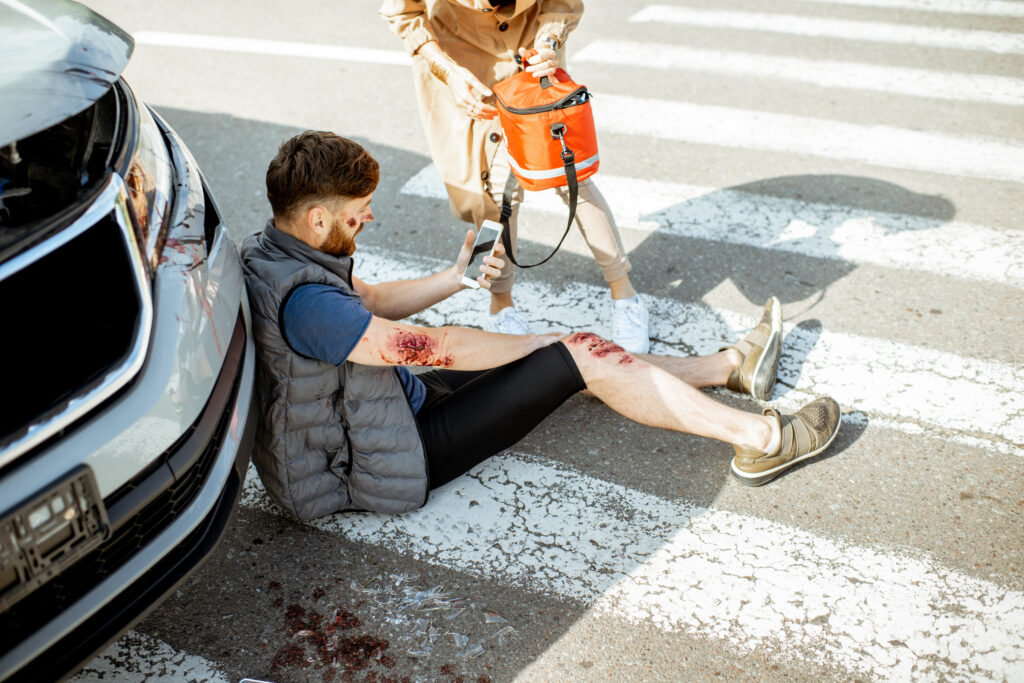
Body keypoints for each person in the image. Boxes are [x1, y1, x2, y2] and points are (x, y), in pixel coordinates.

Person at [241, 131, 842, 521]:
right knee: (573, 351)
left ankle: (725, 369)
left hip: (387, 409)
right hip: (383, 462)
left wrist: (455, 278)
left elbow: (366, 297)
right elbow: (432, 346)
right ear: (319, 219)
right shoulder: (308, 303)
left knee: (577, 354)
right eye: (357, 211)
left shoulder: (280, 251)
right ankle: (762, 442)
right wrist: (541, 344)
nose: (370, 216)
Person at [380, 0, 652, 353]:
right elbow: (403, 13)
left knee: (570, 176)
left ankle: (625, 295)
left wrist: (548, 42)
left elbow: (561, 4)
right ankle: (500, 305)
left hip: (530, 60)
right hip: (463, 68)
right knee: (488, 192)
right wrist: (446, 70)